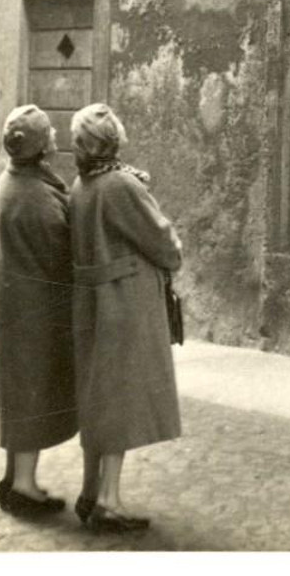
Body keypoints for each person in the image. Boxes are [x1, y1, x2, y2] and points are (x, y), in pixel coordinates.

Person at [69, 103, 183, 534]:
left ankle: (90, 490)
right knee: (118, 401)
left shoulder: (81, 185)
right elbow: (162, 240)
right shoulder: (121, 185)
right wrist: (174, 254)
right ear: (112, 141)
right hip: (122, 304)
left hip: (91, 304)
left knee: (97, 399)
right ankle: (108, 501)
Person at [0, 104, 77, 518]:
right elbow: (63, 252)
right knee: (32, 396)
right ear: (40, 147)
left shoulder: (11, 182)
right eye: (50, 133)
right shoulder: (35, 195)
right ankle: (23, 487)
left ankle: (14, 480)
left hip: (17, 310)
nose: (56, 136)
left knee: (20, 394)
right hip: (34, 315)